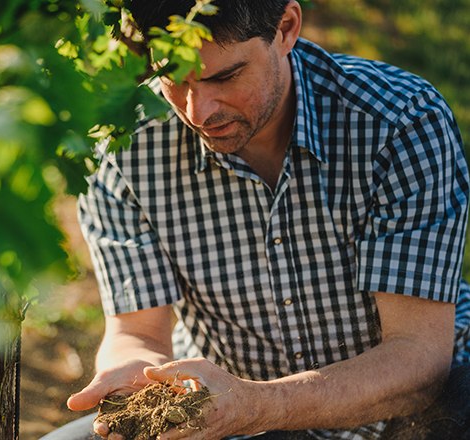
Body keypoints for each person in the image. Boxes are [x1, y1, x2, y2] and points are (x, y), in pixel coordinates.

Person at [42, 1, 470, 439]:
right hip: (225, 414)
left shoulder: (399, 122)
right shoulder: (123, 149)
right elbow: (136, 331)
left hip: (410, 414)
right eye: (171, 77)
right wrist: (138, 377)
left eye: (224, 77)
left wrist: (256, 405)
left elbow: (418, 356)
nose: (198, 112)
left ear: (286, 28)